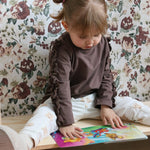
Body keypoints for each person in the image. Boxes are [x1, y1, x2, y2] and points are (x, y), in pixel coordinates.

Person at [0, 0, 150, 150]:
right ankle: (22, 143)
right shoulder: (62, 49)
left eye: (96, 34)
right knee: (42, 117)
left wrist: (106, 105)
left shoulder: (103, 44)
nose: (90, 42)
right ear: (67, 26)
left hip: (96, 100)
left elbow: (105, 75)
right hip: (67, 103)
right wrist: (65, 122)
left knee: (131, 104)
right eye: (83, 36)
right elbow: (60, 85)